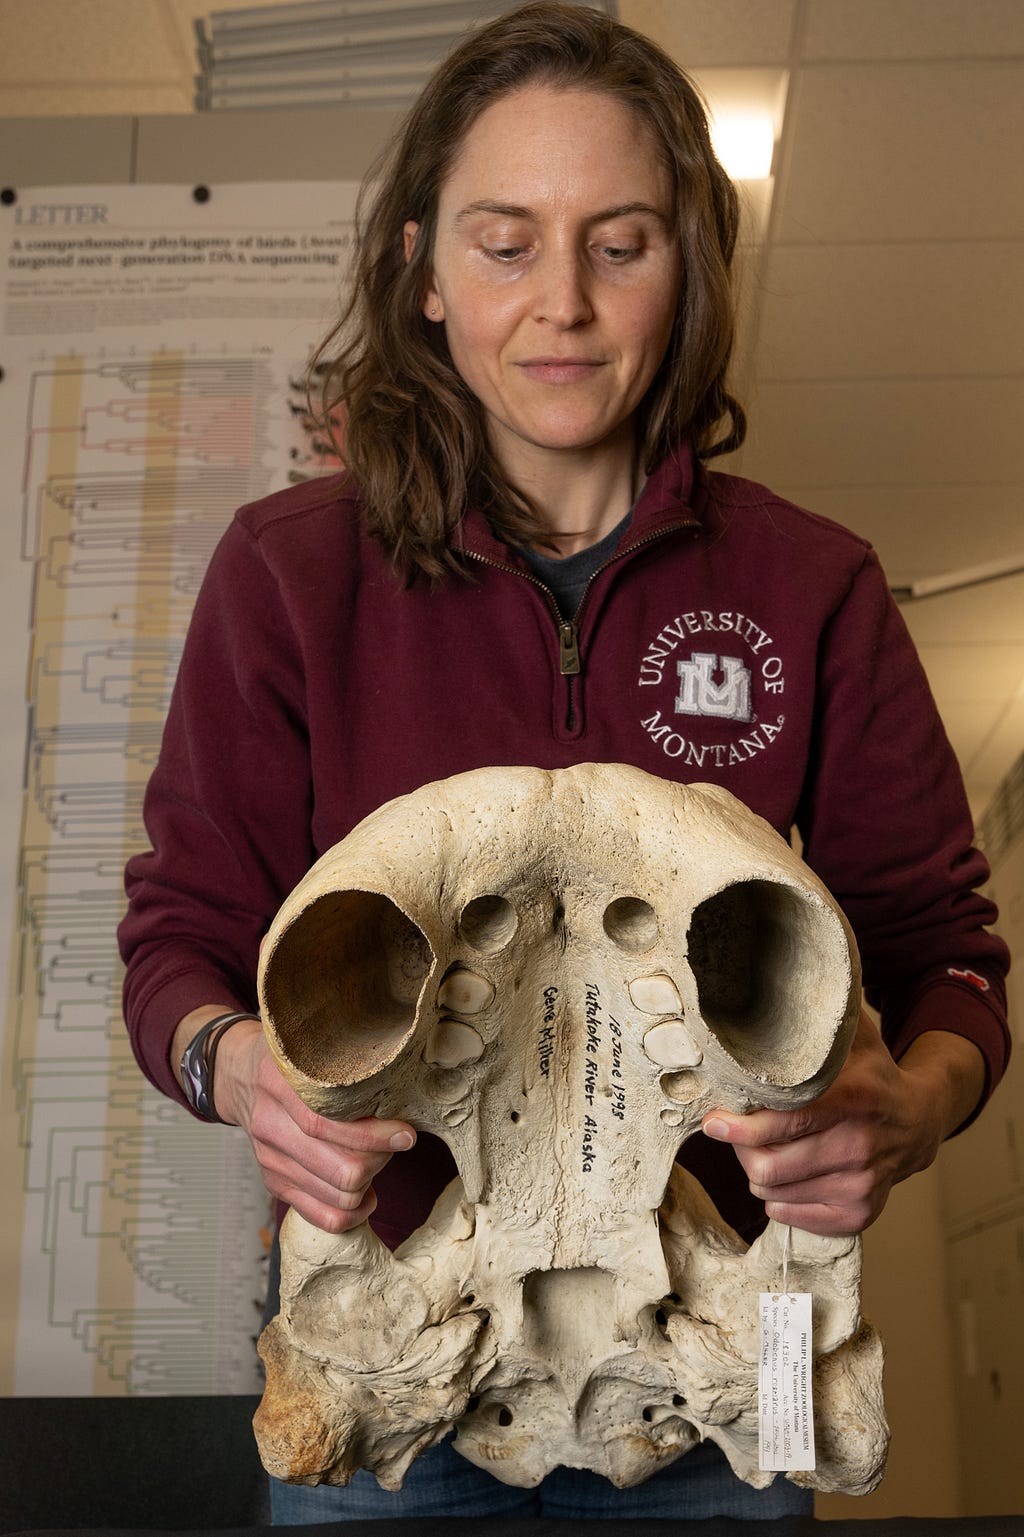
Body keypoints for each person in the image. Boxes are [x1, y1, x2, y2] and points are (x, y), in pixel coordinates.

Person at [118, 0, 1010, 1522]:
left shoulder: (820, 587)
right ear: (423, 274)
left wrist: (912, 1107)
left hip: (727, 1374)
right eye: (505, 240)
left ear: (689, 271)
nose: (564, 306)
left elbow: (948, 962)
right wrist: (237, 1061)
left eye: (622, 242)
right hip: (403, 1352)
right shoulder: (286, 576)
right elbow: (180, 935)